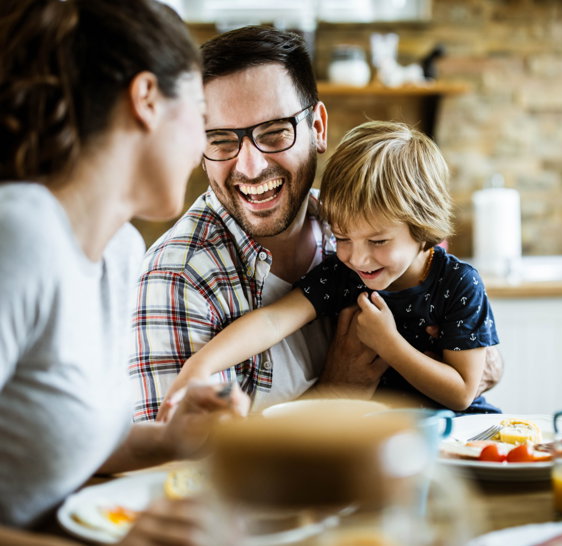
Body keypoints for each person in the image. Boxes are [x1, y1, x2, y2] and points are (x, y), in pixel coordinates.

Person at [130, 25, 503, 422]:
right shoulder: (179, 278)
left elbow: (471, 378)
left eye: (274, 133)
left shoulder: (351, 223)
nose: (251, 167)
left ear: (318, 129)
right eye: (221, 140)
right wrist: (340, 391)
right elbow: (187, 469)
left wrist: (462, 356)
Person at [0, 1, 248, 543]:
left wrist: (174, 440)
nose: (203, 150)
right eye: (203, 117)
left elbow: (54, 444)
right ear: (147, 100)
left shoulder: (120, 252)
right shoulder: (20, 234)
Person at [158, 120, 501, 416]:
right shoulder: (343, 274)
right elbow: (273, 320)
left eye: (378, 241)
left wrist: (388, 343)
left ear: (423, 227)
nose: (358, 258)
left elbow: (462, 393)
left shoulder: (458, 283)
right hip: (378, 436)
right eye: (343, 238)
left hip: (458, 433)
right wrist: (200, 365)